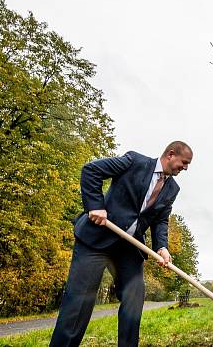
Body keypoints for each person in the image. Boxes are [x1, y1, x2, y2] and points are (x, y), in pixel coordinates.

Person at [50, 141, 193, 347]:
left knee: (134, 297)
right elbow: (91, 170)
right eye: (184, 162)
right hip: (96, 240)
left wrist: (162, 247)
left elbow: (161, 219)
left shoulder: (172, 188)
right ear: (171, 154)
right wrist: (96, 206)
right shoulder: (134, 161)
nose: (185, 168)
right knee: (79, 302)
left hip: (128, 247)